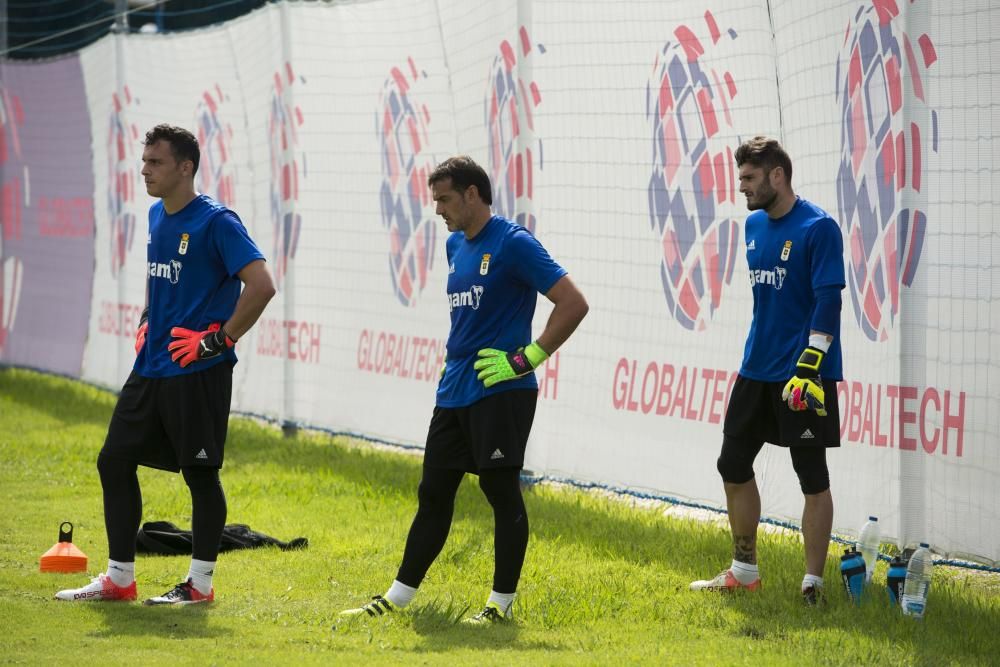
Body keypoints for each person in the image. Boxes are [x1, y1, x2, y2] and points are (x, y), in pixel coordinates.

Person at [341, 155, 588, 624]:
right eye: (435, 200)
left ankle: (500, 606)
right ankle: (397, 597)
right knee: (433, 491)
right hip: (454, 389)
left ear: (473, 194)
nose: (438, 210)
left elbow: (573, 302)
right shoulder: (455, 245)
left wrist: (528, 358)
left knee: (500, 491)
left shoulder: (514, 243)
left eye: (445, 199)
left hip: (501, 390)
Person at [56, 124, 275, 605]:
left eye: (155, 162)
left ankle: (199, 586)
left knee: (200, 475)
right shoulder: (156, 215)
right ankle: (119, 579)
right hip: (151, 367)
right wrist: (146, 319)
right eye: (144, 160)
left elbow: (261, 285)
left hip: (197, 373)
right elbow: (162, 287)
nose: (144, 170)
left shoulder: (218, 222)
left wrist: (217, 340)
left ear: (185, 167)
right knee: (113, 461)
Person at [689, 136, 845, 604]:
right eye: (740, 179)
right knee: (732, 463)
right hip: (755, 369)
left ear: (778, 175)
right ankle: (744, 571)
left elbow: (829, 298)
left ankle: (812, 584)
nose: (743, 188)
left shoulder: (819, 227)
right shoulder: (753, 227)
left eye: (750, 179)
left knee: (811, 474)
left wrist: (812, 360)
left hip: (802, 374)